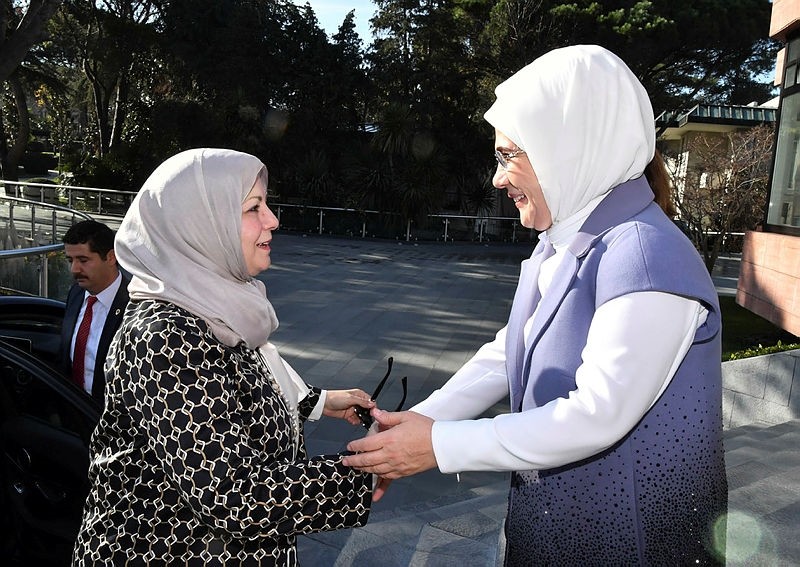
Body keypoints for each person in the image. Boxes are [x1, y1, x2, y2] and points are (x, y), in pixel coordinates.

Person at [344, 45, 728, 565]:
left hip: (630, 543)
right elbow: (511, 350)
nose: (498, 178)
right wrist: (413, 424)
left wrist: (440, 445)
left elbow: (597, 415)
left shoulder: (642, 254)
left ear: (569, 147)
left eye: (509, 156)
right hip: (559, 531)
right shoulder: (563, 239)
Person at [71, 148, 375, 565]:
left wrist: (319, 401)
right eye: (253, 207)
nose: (272, 220)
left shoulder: (216, 306)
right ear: (200, 225)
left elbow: (241, 382)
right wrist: (368, 471)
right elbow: (233, 496)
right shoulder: (165, 337)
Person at [60, 219, 130, 404]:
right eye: (70, 260)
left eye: (83, 260)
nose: (74, 269)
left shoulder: (135, 304)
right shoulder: (76, 293)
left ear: (111, 257)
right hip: (73, 417)